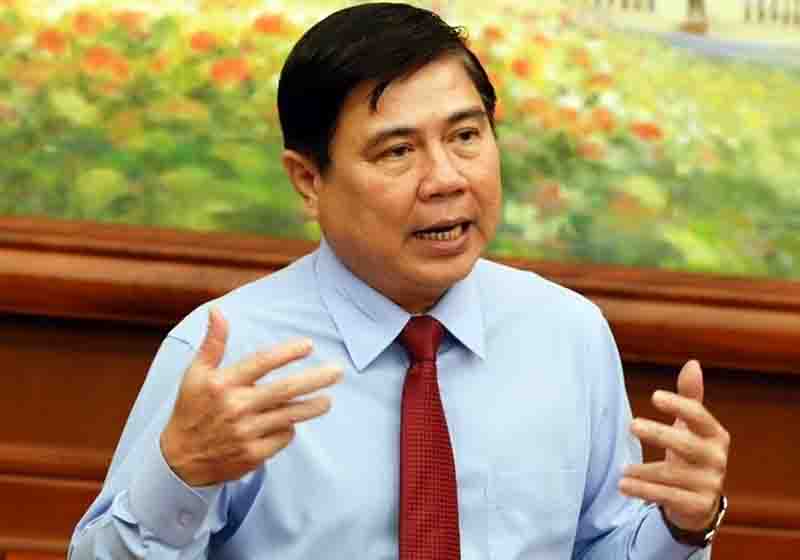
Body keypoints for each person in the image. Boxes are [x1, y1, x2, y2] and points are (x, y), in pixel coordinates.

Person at [70, 3, 729, 559]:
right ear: (309, 180)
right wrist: (181, 475)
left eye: (465, 136)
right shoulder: (229, 354)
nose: (445, 179)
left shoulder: (566, 333)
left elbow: (602, 545)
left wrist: (681, 525)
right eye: (399, 151)